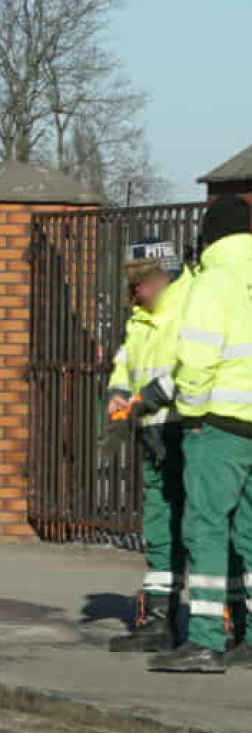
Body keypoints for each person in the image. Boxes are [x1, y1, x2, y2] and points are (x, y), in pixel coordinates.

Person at [150, 195, 252, 673]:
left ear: (210, 236)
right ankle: (248, 637)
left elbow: (197, 360)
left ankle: (207, 641)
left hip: (220, 424)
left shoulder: (213, 283)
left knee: (206, 528)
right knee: (250, 535)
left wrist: (190, 413)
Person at [105, 250, 192, 653]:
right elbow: (125, 361)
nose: (136, 289)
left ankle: (226, 618)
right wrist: (119, 392)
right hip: (152, 430)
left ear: (164, 276)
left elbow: (194, 365)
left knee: (202, 528)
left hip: (185, 427)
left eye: (142, 280)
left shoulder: (190, 307)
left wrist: (150, 399)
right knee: (159, 526)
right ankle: (160, 618)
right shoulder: (140, 318)